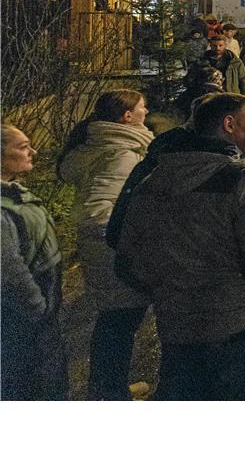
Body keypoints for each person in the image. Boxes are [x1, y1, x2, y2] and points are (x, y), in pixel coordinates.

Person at [113, 94, 245, 400]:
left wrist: (168, 291)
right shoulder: (242, 180)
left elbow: (128, 255)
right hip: (240, 325)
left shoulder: (154, 178)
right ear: (229, 125)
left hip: (177, 327)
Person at [56, 90, 154, 400]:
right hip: (110, 241)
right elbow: (112, 206)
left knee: (114, 319)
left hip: (97, 239)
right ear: (127, 116)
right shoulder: (122, 152)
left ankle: (109, 389)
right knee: (120, 320)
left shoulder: (100, 145)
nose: (147, 111)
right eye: (142, 107)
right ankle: (109, 395)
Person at [1, 124, 68, 400]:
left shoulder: (12, 194)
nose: (33, 151)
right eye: (22, 146)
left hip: (37, 316)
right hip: (22, 319)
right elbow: (8, 270)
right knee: (34, 386)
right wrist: (37, 308)